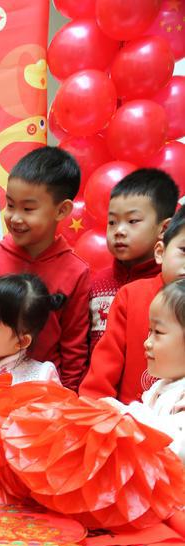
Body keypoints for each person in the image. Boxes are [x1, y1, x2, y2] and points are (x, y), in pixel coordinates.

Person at [0, 147, 89, 391]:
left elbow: (74, 347)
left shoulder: (75, 271)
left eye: (28, 209)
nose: (14, 217)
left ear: (62, 210)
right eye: (10, 205)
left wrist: (66, 397)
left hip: (43, 396)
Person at [80, 206, 185, 404]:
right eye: (184, 250)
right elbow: (102, 375)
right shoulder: (131, 296)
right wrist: (95, 415)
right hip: (127, 422)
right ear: (161, 252)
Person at [90, 168, 178, 348]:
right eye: (112, 222)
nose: (119, 231)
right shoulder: (96, 283)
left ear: (164, 229)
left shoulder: (170, 286)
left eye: (132, 221)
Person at [105, 279, 185, 462]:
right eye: (149, 331)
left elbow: (176, 447)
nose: (147, 343)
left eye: (158, 332)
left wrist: (125, 414)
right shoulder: (160, 388)